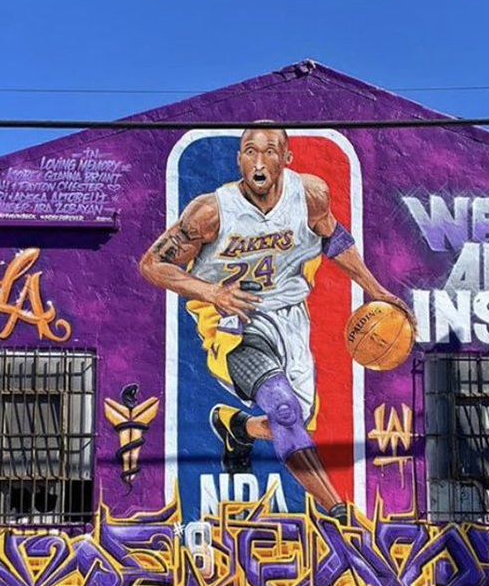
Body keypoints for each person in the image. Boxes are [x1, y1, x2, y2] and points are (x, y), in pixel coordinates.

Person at [139, 127, 411, 521]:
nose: (259, 161)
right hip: (231, 320)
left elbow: (334, 239)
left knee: (292, 420)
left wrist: (376, 289)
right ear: (239, 160)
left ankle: (238, 425)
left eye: (270, 152)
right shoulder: (211, 212)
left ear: (287, 159)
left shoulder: (311, 195)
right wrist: (211, 293)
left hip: (290, 317)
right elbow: (152, 264)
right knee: (284, 410)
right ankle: (337, 509)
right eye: (250, 151)